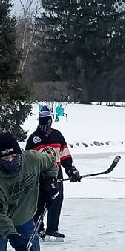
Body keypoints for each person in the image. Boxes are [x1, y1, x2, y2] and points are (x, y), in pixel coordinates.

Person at [26, 103, 82, 240]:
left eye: (47, 120)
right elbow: (28, 160)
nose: (45, 124)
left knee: (56, 200)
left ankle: (52, 229)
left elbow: (64, 155)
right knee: (39, 202)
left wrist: (71, 170)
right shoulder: (33, 139)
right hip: (40, 175)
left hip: (56, 174)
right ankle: (38, 228)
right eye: (43, 120)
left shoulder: (57, 135)